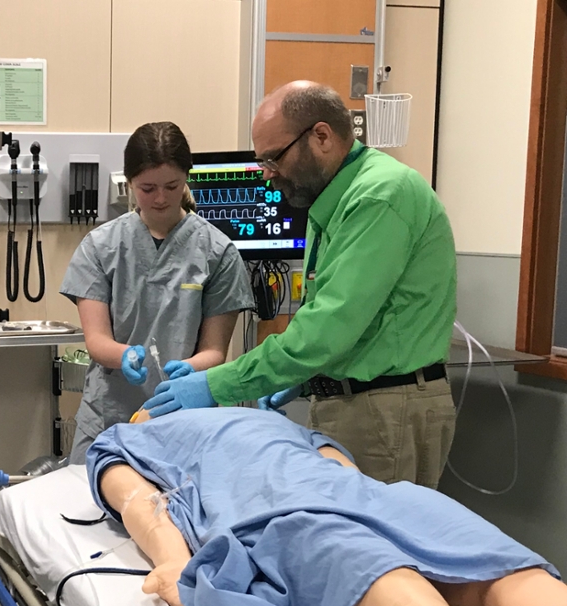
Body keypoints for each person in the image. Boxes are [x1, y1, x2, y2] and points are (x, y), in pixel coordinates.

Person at [87, 408, 567, 606]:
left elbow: (142, 506)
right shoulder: (264, 420)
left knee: (393, 585)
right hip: (349, 497)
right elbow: (340, 468)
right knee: (491, 575)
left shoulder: (126, 437)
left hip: (290, 507)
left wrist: (173, 563)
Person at [144, 82, 458, 488]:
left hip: (385, 410)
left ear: (321, 136)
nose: (268, 174)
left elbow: (325, 330)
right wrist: (305, 378)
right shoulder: (329, 200)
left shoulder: (379, 196)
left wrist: (217, 383)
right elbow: (337, 319)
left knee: (366, 546)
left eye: (273, 158)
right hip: (355, 402)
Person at [59, 121, 253, 463]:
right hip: (109, 414)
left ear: (186, 179)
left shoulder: (217, 252)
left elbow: (214, 350)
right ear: (129, 182)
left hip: (184, 413)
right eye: (147, 188)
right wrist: (123, 355)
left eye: (171, 186)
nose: (160, 198)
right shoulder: (101, 247)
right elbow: (96, 339)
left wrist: (189, 369)